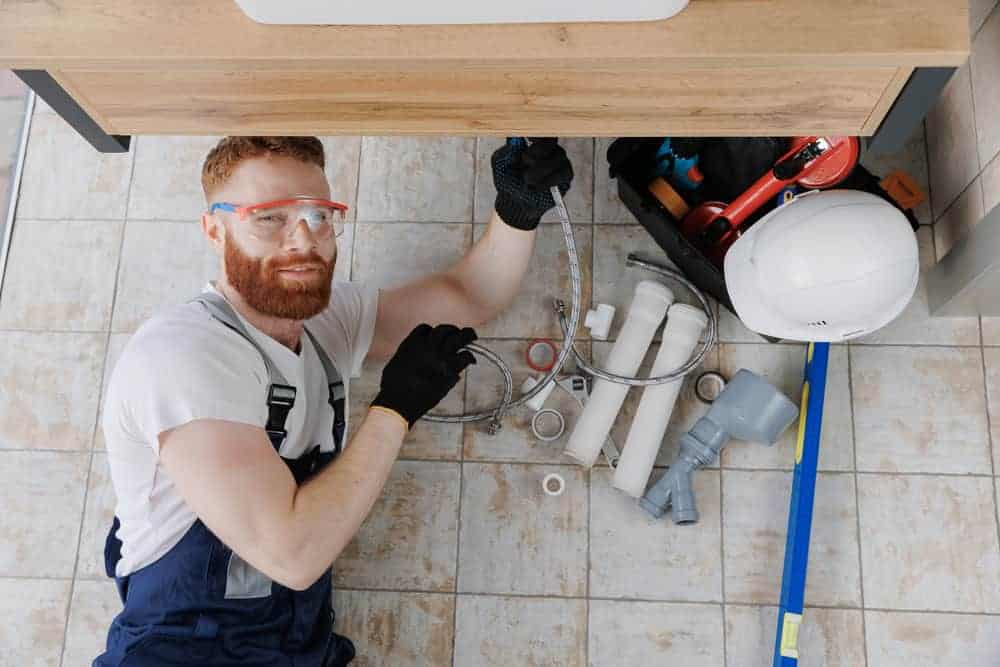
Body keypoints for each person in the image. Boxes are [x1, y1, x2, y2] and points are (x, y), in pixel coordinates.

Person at [95, 136, 574, 666]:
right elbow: (292, 554)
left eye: (318, 216)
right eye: (269, 218)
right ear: (214, 229)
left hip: (299, 649)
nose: (303, 239)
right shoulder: (185, 354)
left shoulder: (325, 323)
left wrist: (518, 210)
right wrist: (395, 410)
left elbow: (470, 297)